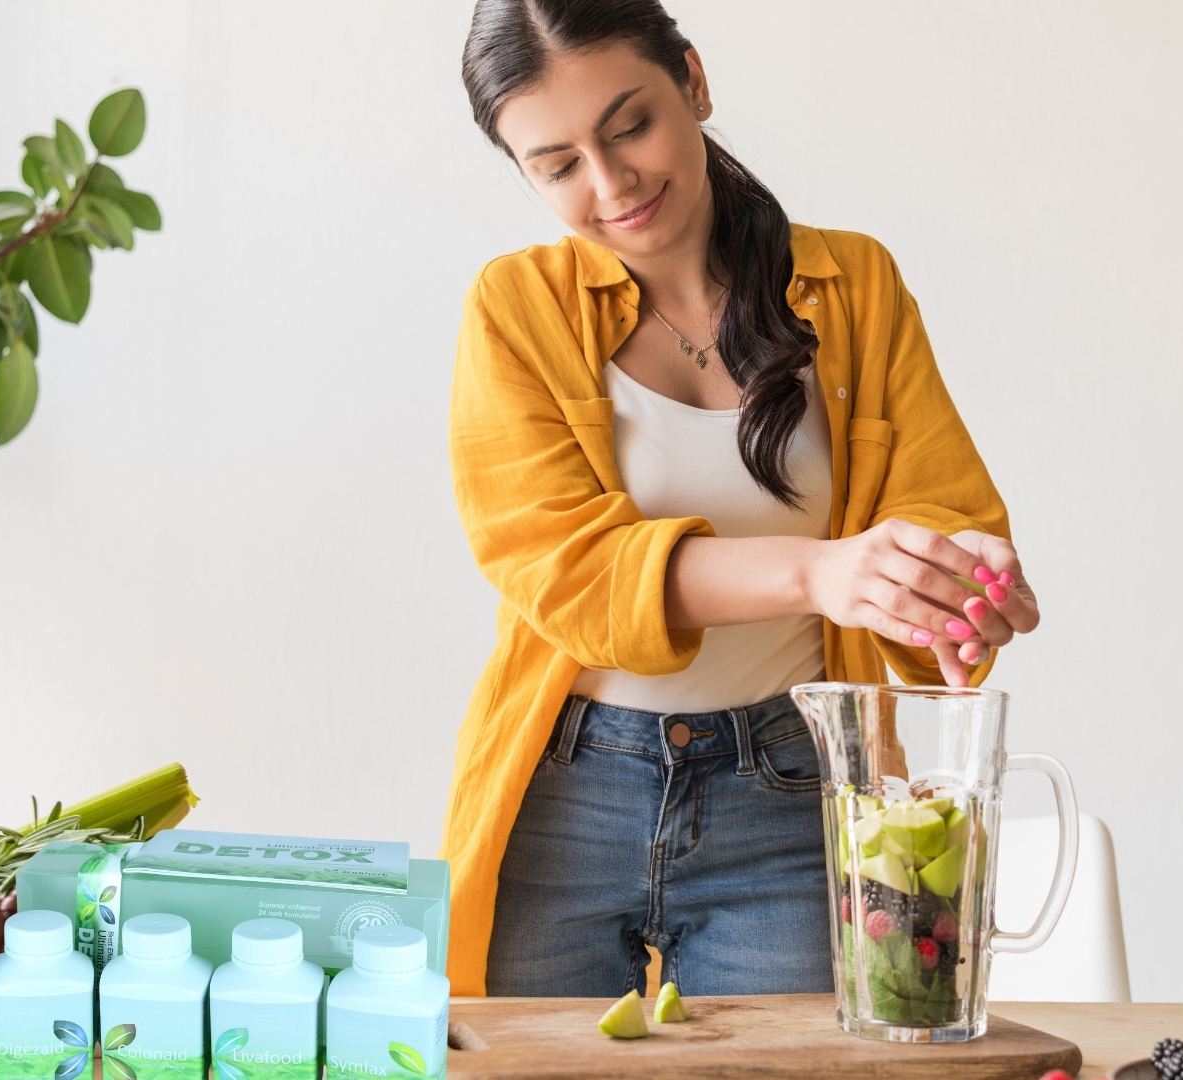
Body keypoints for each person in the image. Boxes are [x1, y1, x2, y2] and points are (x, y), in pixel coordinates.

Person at [443, 0, 1040, 998]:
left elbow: (938, 508)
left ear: (695, 81)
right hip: (568, 789)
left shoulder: (854, 286)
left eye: (631, 123)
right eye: (558, 165)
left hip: (792, 787)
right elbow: (564, 570)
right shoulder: (514, 311)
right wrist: (823, 570)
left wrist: (955, 589)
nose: (610, 181)